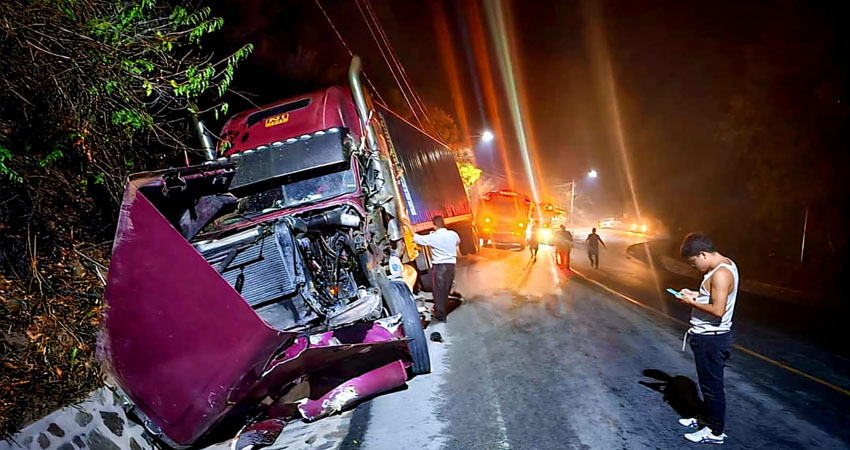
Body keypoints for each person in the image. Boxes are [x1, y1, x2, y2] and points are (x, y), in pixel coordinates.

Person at [675, 232, 739, 445]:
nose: (693, 267)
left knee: (712, 387)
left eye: (693, 262)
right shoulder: (724, 266)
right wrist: (694, 294)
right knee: (707, 384)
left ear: (702, 254)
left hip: (711, 339)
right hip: (708, 337)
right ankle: (706, 418)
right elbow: (713, 297)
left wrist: (690, 302)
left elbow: (718, 309)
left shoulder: (720, 274)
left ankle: (715, 432)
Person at [412, 216, 460, 323]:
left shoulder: (434, 237)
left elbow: (418, 239)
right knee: (446, 289)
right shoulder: (453, 234)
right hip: (451, 266)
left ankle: (440, 315)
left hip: (440, 267)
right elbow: (457, 242)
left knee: (438, 291)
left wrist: (408, 230)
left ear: (434, 225)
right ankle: (442, 308)